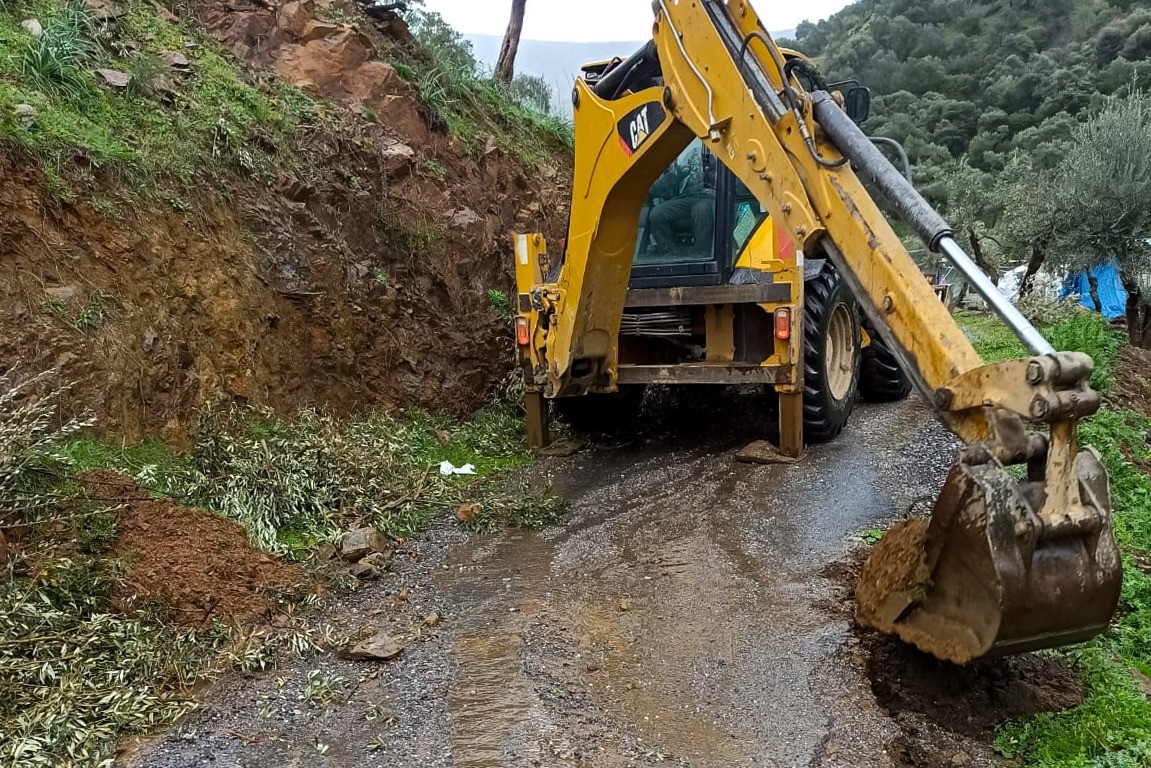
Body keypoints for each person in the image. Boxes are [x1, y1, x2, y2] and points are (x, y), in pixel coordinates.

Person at [646, 146, 716, 259]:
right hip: (689, 195)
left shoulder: (728, 152)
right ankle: (670, 254)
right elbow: (677, 173)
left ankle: (701, 255)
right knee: (657, 213)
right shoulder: (695, 152)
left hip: (713, 196)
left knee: (701, 209)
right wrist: (652, 189)